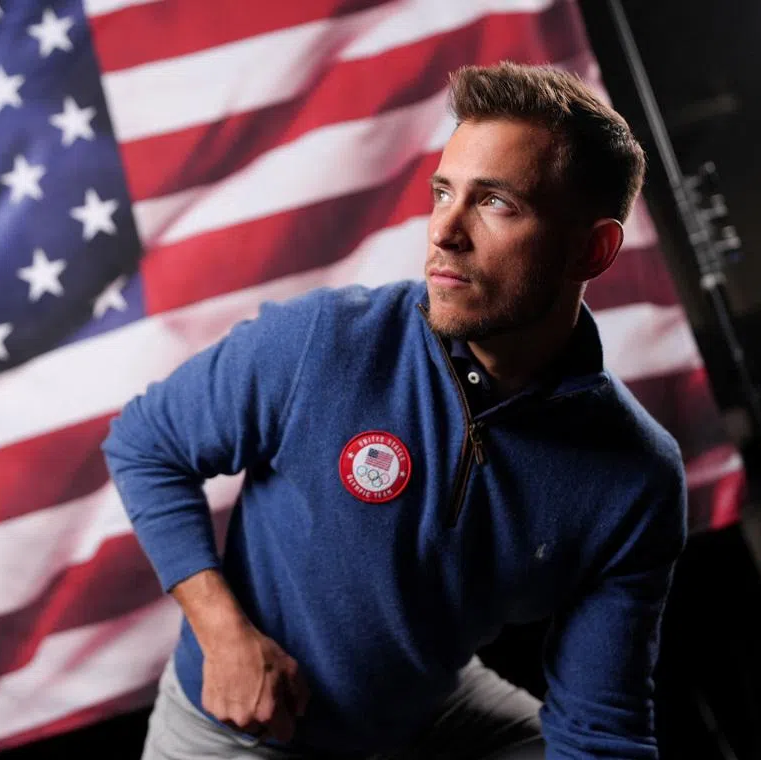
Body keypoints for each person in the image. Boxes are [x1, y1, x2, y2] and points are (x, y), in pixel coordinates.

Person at [101, 61, 689, 760]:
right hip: (232, 733)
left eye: (495, 202)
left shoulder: (634, 478)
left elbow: (601, 730)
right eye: (444, 192)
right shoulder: (326, 340)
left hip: (418, 712)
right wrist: (221, 633)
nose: (444, 230)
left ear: (591, 249)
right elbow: (144, 444)